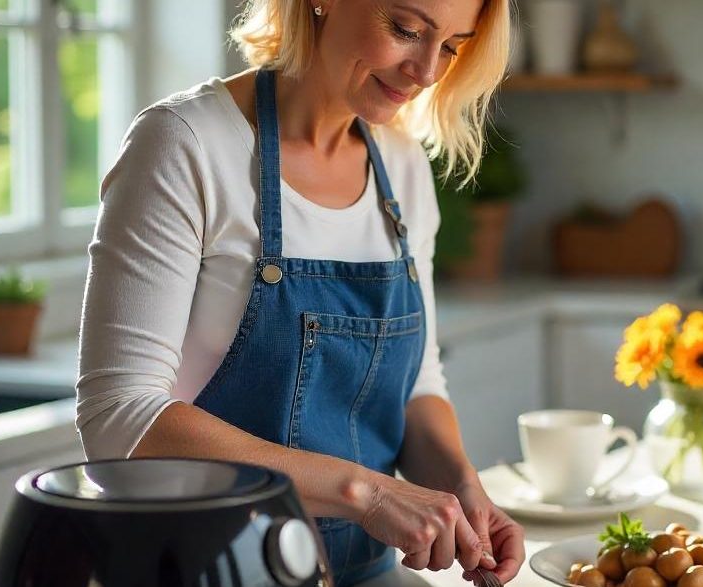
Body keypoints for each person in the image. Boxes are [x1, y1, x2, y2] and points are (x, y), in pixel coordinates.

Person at [75, 0, 524, 585]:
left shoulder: (404, 165)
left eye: (451, 47)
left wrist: (460, 485)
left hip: (361, 572)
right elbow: (119, 419)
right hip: (200, 568)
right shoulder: (186, 144)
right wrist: (367, 493)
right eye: (406, 30)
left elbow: (418, 384)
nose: (428, 71)